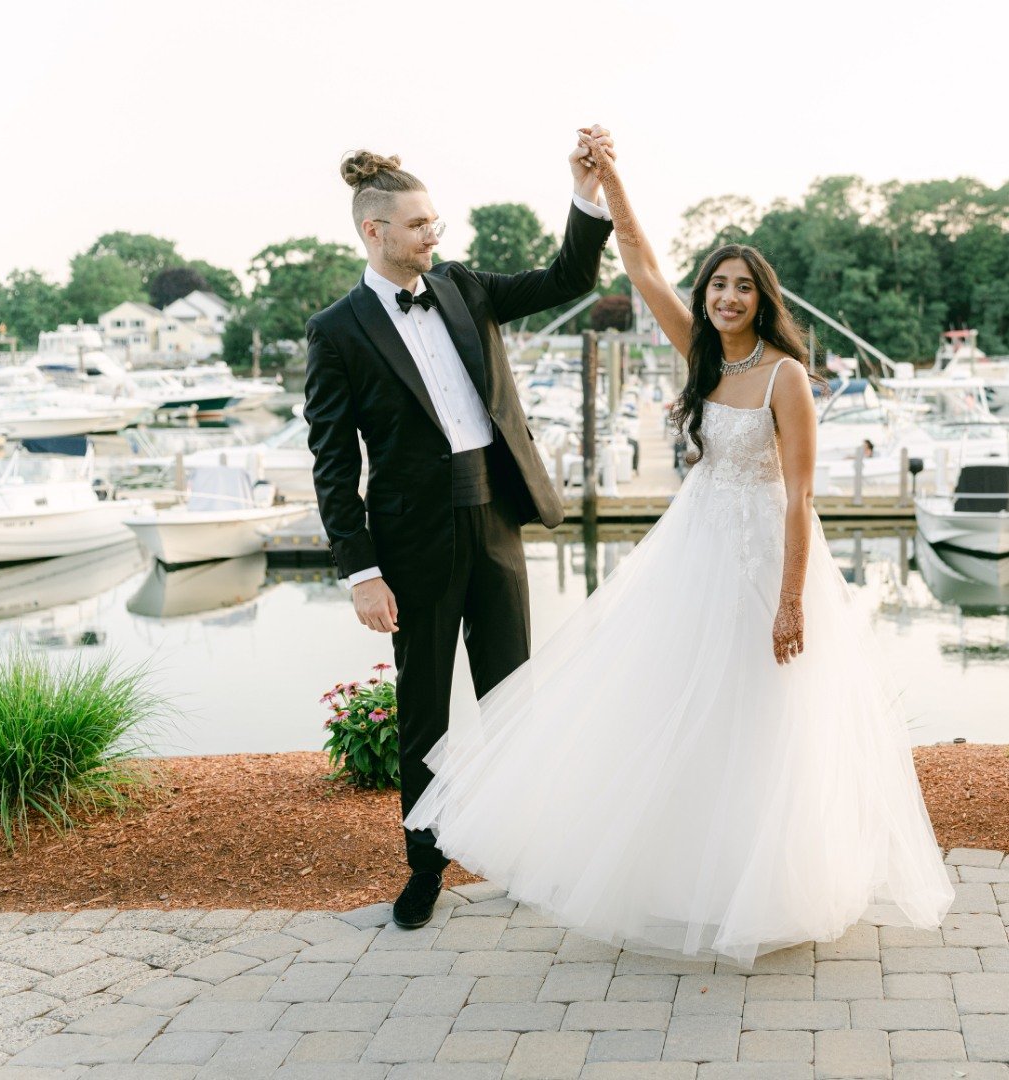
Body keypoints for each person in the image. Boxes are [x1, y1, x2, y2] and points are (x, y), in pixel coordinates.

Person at [404, 132, 953, 965]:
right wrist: (609, 182)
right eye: (718, 285)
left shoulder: (784, 377)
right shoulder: (699, 350)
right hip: (691, 558)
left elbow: (800, 498)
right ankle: (689, 875)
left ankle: (767, 887)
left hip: (766, 562)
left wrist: (791, 601)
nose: (727, 297)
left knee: (765, 721)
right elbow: (640, 266)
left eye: (741, 287)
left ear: (763, 299)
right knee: (680, 710)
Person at [304, 135, 614, 929]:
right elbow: (333, 465)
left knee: (514, 699)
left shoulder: (464, 287)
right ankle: (424, 868)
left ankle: (525, 855)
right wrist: (360, 571)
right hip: (411, 541)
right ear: (373, 233)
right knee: (425, 715)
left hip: (496, 517)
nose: (432, 235)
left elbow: (569, 276)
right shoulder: (336, 331)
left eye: (434, 220)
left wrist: (585, 192)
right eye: (417, 225)